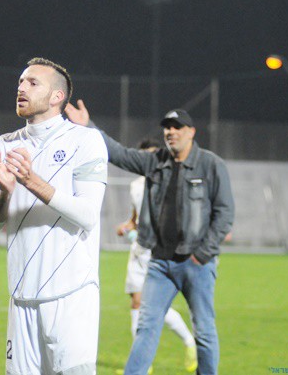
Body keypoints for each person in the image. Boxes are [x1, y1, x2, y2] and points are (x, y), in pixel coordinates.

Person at [65, 102, 234, 375]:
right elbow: (119, 154)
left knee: (204, 331)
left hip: (196, 264)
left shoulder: (211, 165)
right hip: (159, 264)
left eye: (177, 127)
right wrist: (88, 127)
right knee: (146, 328)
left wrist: (203, 254)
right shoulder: (155, 161)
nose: (171, 132)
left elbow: (225, 213)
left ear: (191, 132)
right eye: (167, 128)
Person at [0, 58, 108, 375]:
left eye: (33, 83)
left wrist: (32, 181)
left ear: (57, 97)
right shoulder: (4, 145)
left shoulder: (85, 140)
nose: (21, 88)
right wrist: (5, 193)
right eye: (20, 82)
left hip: (72, 296)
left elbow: (88, 215)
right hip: (21, 297)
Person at [116, 139, 197, 374]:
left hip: (157, 251)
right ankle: (143, 365)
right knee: (136, 303)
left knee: (151, 307)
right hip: (138, 251)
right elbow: (135, 218)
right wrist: (127, 226)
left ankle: (189, 341)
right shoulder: (135, 185)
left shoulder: (168, 183)